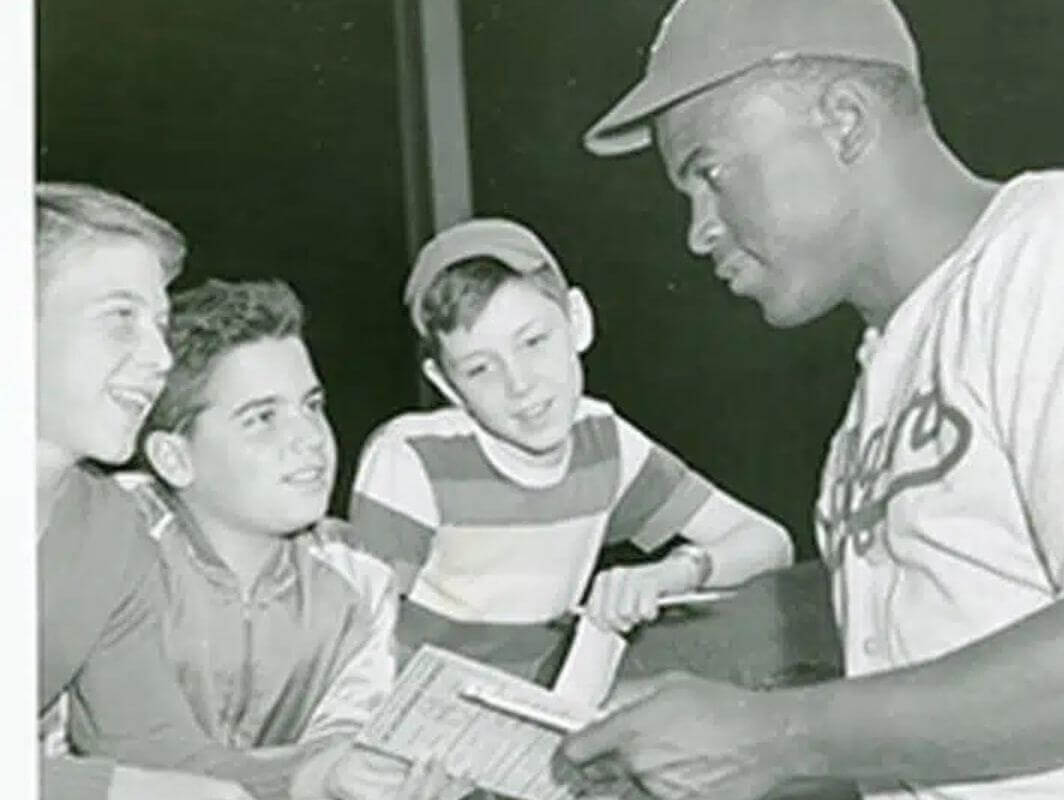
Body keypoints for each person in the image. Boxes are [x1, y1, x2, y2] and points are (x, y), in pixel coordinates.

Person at [555, 1, 1064, 798]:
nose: (698, 231)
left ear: (843, 121)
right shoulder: (876, 395)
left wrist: (768, 738)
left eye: (709, 173)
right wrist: (687, 759)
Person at [349, 217, 794, 658]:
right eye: (480, 368)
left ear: (578, 320)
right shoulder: (412, 459)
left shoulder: (603, 444)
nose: (520, 384)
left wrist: (670, 574)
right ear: (446, 384)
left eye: (533, 342)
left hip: (547, 695)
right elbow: (354, 638)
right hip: (423, 700)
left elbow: (769, 542)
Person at [116, 277, 471, 800]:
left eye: (312, 405)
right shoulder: (108, 544)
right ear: (174, 458)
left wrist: (373, 782)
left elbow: (342, 743)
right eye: (262, 418)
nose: (310, 438)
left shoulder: (357, 578)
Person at [37, 182, 258, 799]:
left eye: (160, 326)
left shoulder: (107, 526)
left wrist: (316, 775)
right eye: (120, 319)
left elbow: (148, 745)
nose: (161, 358)